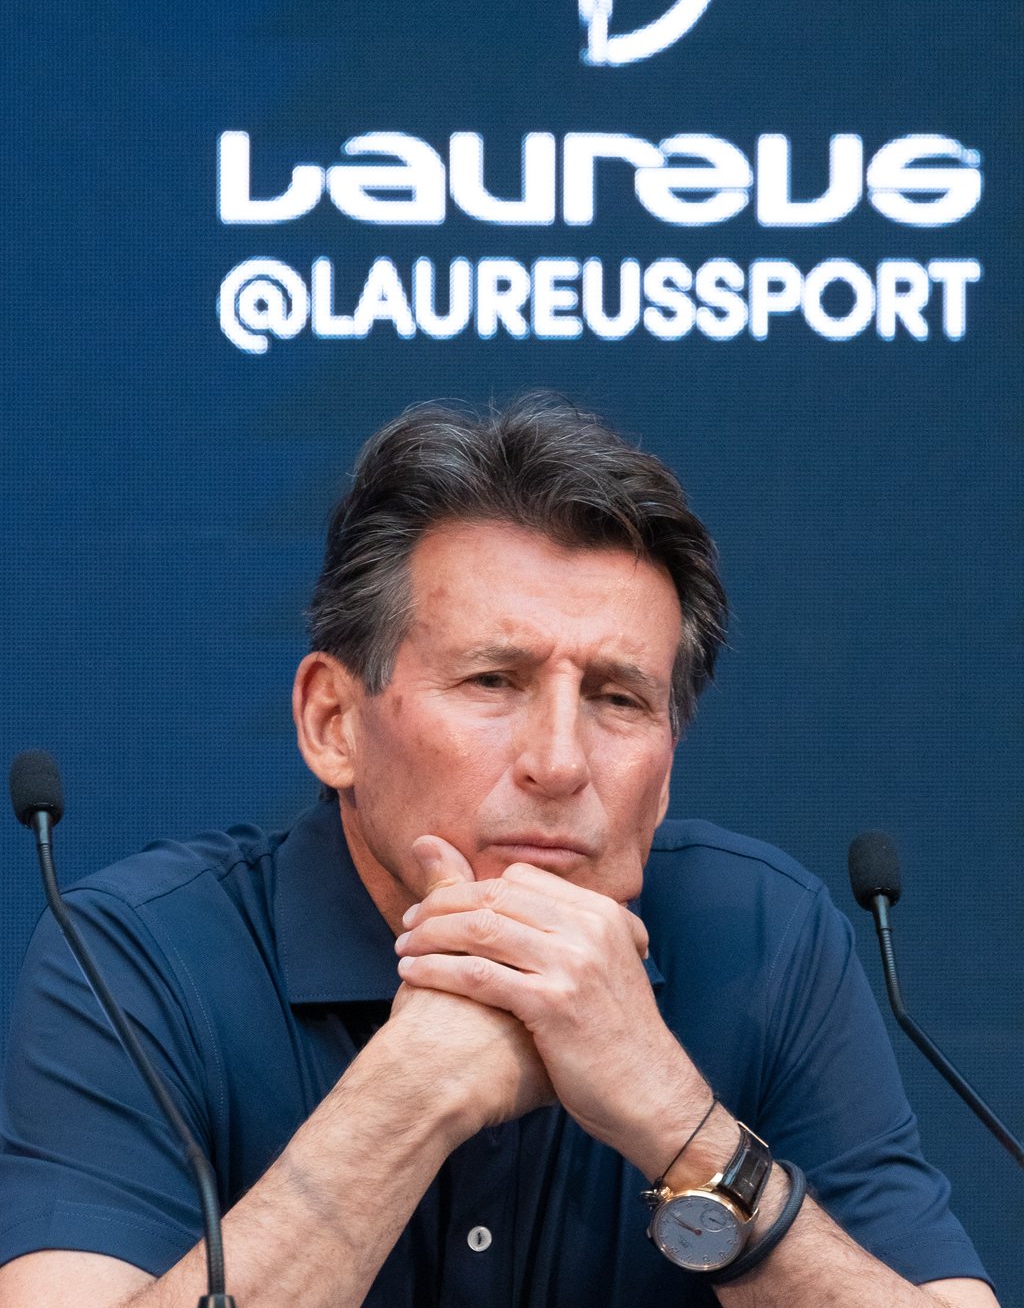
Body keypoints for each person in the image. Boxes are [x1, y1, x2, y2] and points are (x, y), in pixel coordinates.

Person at [0, 396, 997, 1307]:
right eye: (491, 681)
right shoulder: (138, 959)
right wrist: (412, 1093)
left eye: (616, 698)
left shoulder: (762, 935)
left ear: (668, 758)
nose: (560, 762)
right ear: (331, 721)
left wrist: (680, 1126)